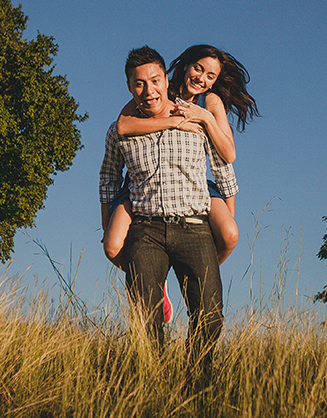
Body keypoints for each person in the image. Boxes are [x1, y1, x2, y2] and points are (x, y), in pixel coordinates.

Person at [99, 46, 238, 379]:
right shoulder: (121, 129)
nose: (149, 91)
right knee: (145, 319)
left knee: (210, 315)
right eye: (139, 84)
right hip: (146, 231)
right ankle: (154, 384)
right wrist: (106, 225)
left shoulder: (196, 115)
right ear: (130, 88)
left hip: (193, 228)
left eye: (155, 81)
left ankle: (196, 381)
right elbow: (108, 177)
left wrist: (229, 218)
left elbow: (224, 168)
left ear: (165, 79)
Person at [103, 45, 258, 268]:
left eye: (210, 76)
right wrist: (172, 121)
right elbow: (123, 125)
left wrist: (204, 118)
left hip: (192, 182)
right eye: (198, 68)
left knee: (230, 233)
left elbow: (227, 155)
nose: (201, 78)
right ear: (186, 66)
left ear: (214, 81)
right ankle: (148, 271)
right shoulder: (160, 88)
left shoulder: (210, 102)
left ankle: (198, 270)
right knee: (112, 245)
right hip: (145, 182)